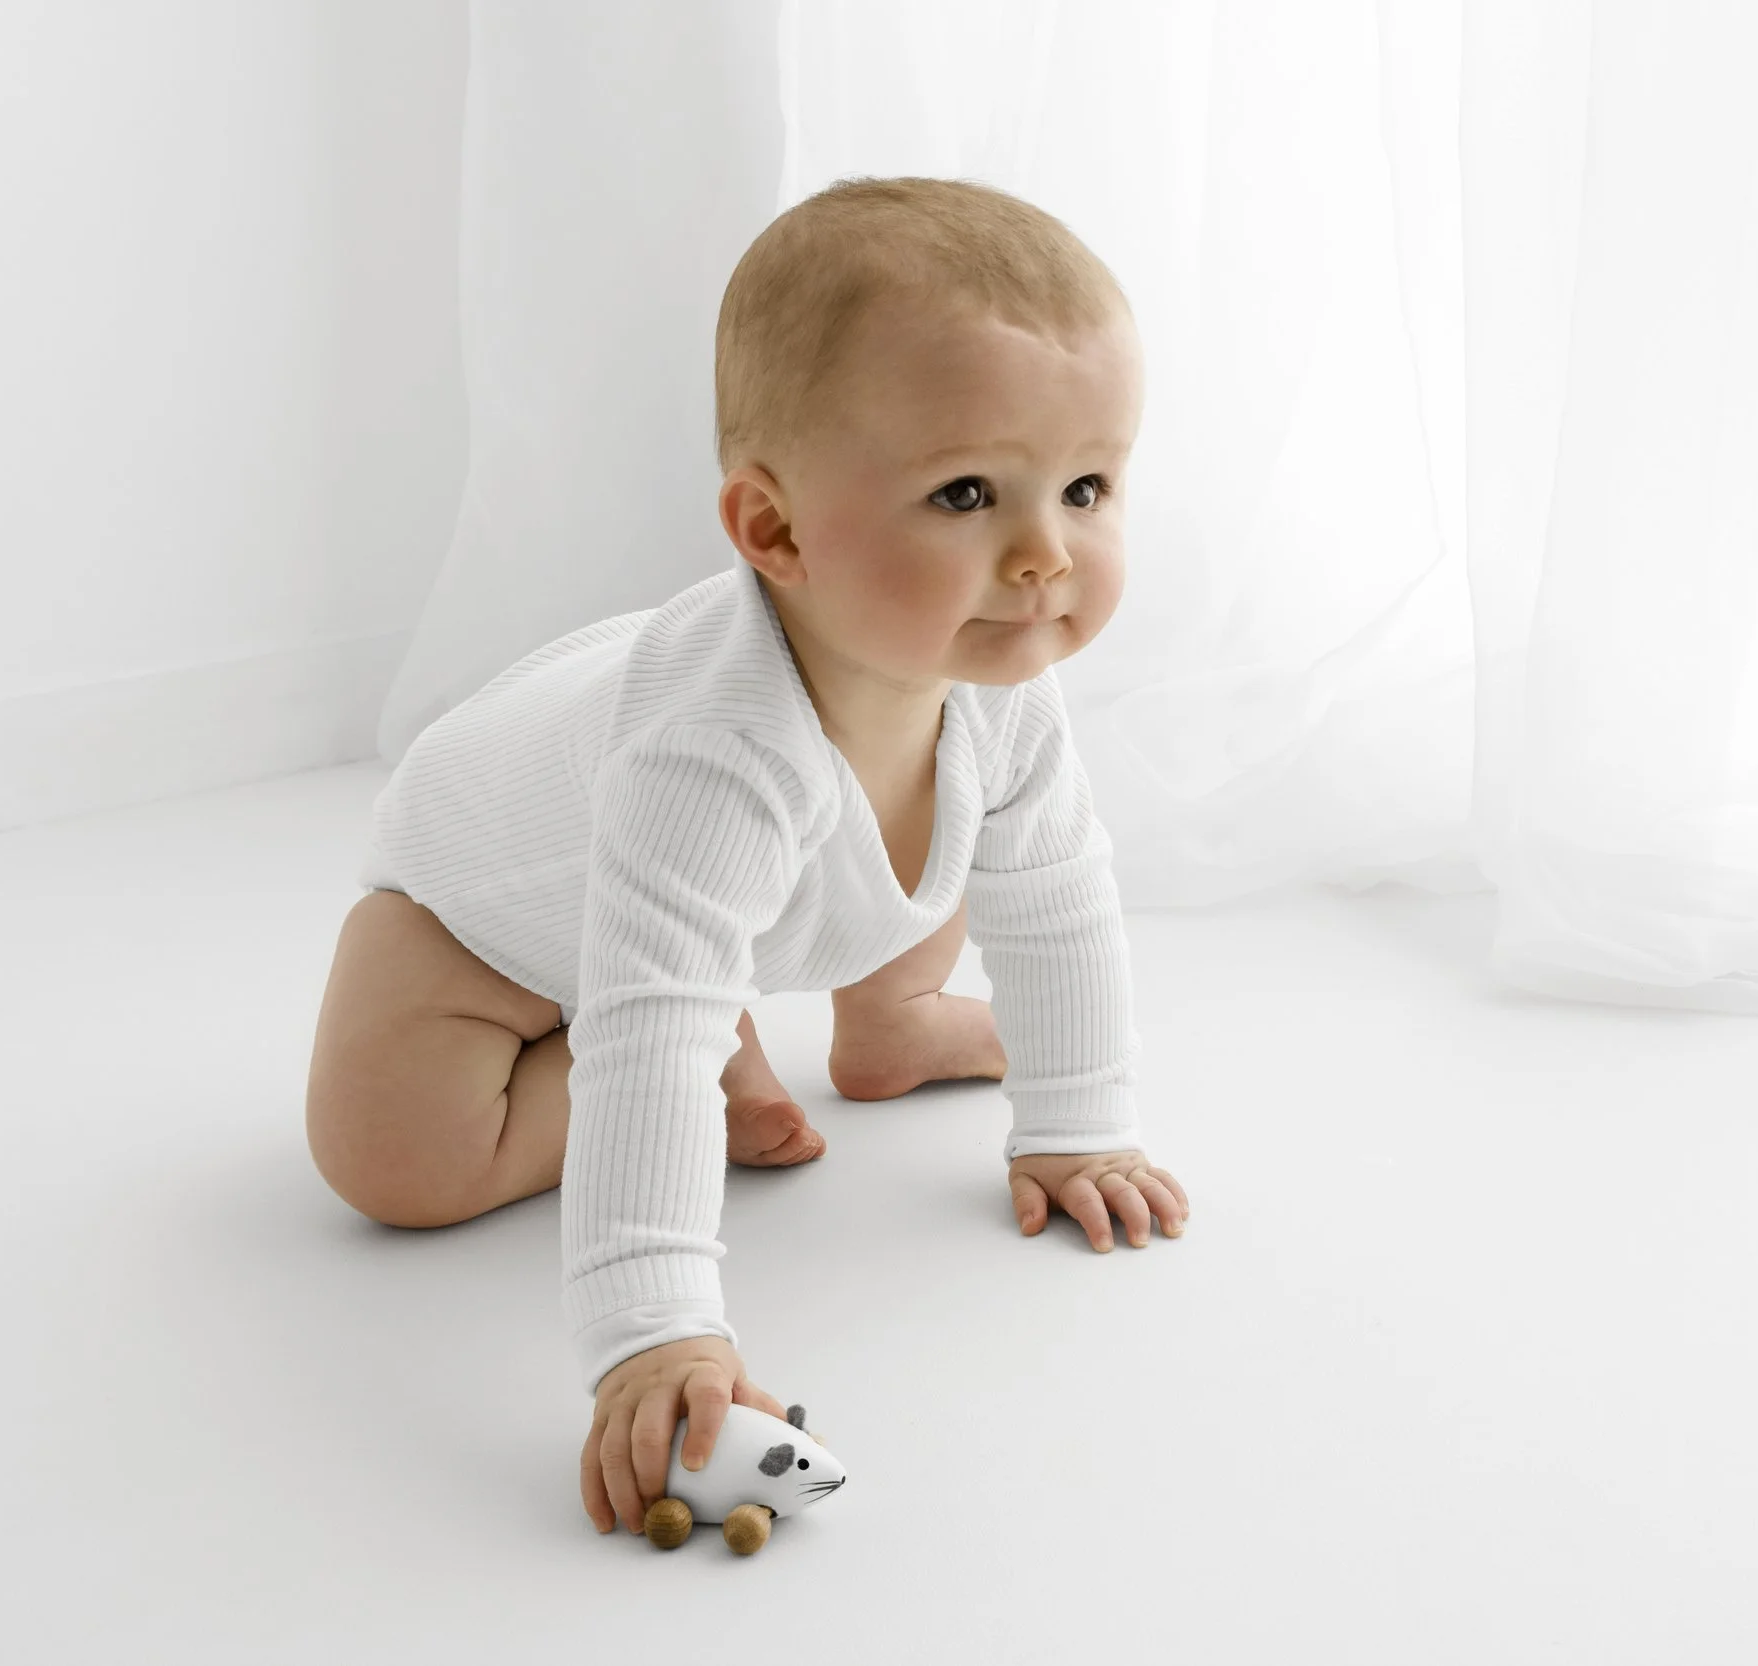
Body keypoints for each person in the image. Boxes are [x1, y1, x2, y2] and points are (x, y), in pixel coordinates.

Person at [304, 176, 1191, 1538]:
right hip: (487, 925)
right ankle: (722, 1069)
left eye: (1085, 487)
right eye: (968, 493)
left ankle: (885, 1020)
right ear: (772, 531)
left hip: (763, 904)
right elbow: (644, 1028)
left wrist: (1078, 1115)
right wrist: (658, 1332)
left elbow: (1056, 894)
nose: (1043, 556)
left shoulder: (994, 676)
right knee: (392, 1160)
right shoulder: (708, 755)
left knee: (942, 845)